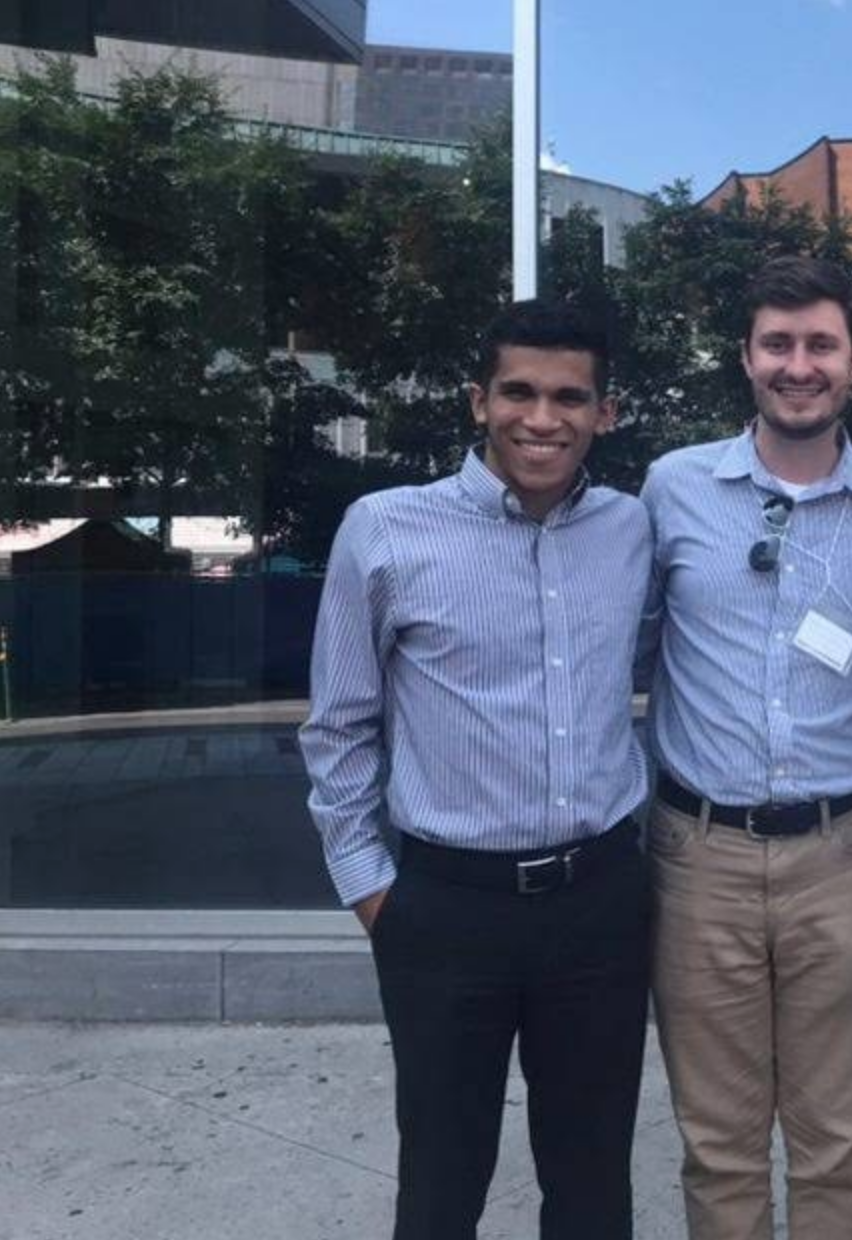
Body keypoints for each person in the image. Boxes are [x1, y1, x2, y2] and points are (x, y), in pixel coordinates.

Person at [299, 299, 654, 1240]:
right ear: (477, 400)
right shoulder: (383, 529)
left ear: (603, 413)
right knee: (442, 1176)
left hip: (600, 905)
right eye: (519, 393)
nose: (543, 419)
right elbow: (338, 727)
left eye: (570, 397)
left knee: (591, 1181)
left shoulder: (632, 530)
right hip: (445, 910)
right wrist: (373, 889)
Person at [641, 255, 852, 1240]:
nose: (798, 364)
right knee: (717, 1143)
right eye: (778, 344)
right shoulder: (672, 488)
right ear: (745, 357)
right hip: (700, 856)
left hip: (847, 854)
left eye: (820, 344)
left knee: (835, 1143)